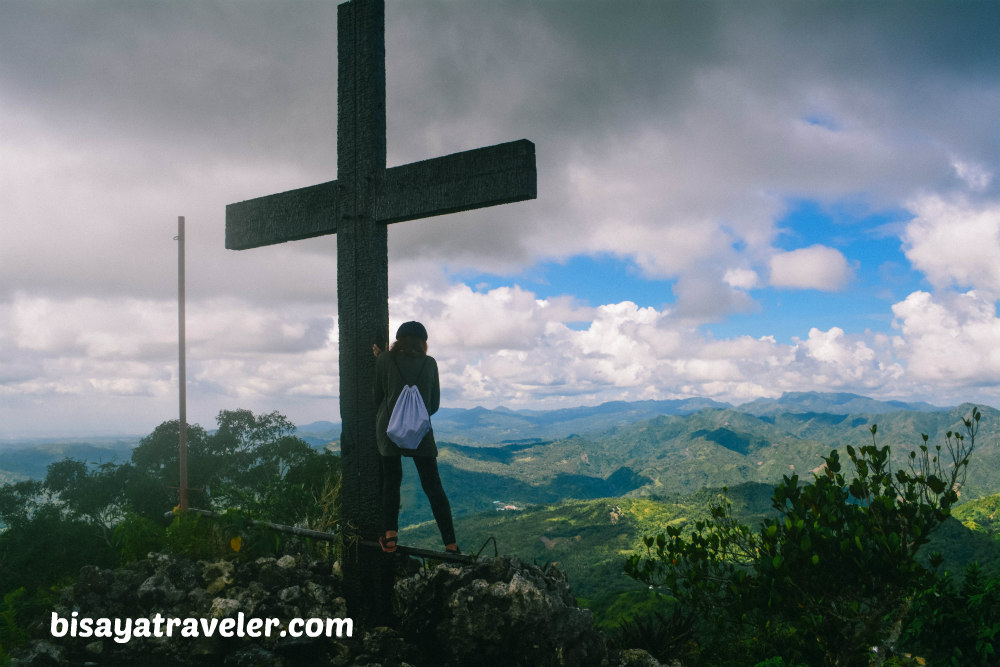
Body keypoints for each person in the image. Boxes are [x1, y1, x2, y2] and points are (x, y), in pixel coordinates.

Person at [372, 321, 459, 554]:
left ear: (398, 340)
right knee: (433, 486)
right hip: (421, 432)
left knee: (391, 480)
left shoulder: (385, 360)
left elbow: (377, 396)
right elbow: (434, 405)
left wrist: (383, 360)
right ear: (423, 343)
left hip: (388, 429)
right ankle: (451, 544)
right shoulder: (430, 364)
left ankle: (390, 537)